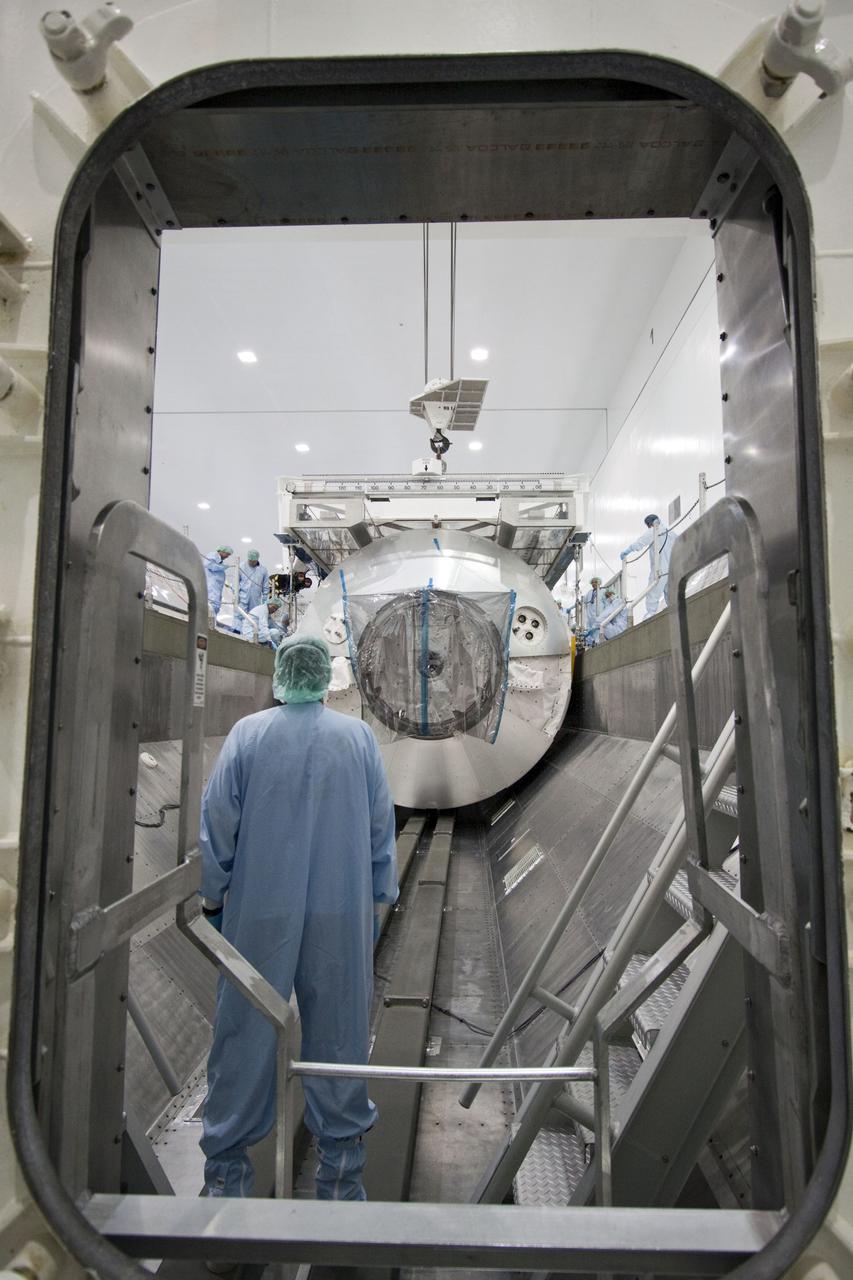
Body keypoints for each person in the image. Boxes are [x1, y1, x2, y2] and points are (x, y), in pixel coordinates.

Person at [198, 635, 398, 1202]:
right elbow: (380, 829)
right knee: (340, 1033)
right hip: (342, 909)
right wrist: (379, 898)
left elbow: (218, 826)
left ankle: (225, 1189)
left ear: (280, 675)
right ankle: (340, 1184)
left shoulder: (249, 734)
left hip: (260, 911)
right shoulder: (357, 737)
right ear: (326, 676)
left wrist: (213, 900)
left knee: (242, 1033)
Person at [620, 514, 673, 616]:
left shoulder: (654, 531)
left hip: (659, 569)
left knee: (652, 596)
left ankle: (649, 617)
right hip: (671, 569)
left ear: (649, 524)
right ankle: (675, 613)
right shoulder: (669, 532)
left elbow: (640, 542)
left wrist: (628, 550)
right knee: (670, 594)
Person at [204, 545, 234, 621]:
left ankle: (211, 622)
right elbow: (209, 565)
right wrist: (222, 567)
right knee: (211, 604)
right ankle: (208, 622)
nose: (227, 556)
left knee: (215, 605)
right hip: (211, 587)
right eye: (227, 554)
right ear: (222, 551)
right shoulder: (213, 555)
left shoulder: (219, 561)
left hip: (216, 588)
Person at [238, 549, 270, 616]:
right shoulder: (241, 567)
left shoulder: (263, 570)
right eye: (250, 561)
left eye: (253, 561)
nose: (251, 562)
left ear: (257, 559)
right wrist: (236, 595)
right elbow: (235, 583)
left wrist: (265, 600)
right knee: (240, 616)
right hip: (242, 597)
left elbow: (265, 586)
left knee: (253, 616)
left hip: (255, 598)